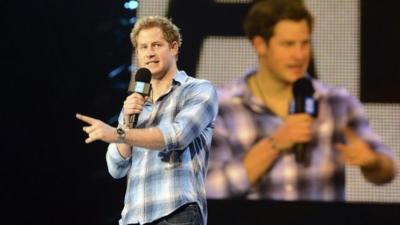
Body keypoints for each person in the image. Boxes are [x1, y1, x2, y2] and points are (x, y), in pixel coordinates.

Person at [206, 0, 396, 201]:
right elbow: (208, 189)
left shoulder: (336, 102)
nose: (299, 55)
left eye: (304, 43)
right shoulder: (221, 108)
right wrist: (274, 145)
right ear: (260, 45)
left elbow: (388, 171)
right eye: (288, 44)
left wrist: (373, 162)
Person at [76, 16, 218, 225]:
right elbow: (116, 167)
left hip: (176, 212)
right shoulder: (134, 103)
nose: (149, 53)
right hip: (134, 218)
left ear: (174, 48)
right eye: (143, 47)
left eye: (156, 45)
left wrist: (118, 133)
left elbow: (177, 136)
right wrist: (126, 124)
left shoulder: (197, 89)